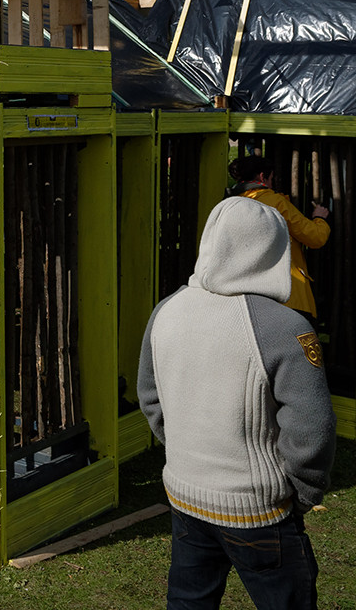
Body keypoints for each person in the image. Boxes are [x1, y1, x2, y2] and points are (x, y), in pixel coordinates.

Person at [139, 197, 336, 610]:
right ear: (276, 249)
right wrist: (302, 493)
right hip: (258, 510)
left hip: (185, 494)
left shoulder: (166, 310)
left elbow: (151, 398)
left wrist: (186, 453)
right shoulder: (287, 327)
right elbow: (311, 427)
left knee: (188, 602)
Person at [228, 155, 330, 324]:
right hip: (288, 296)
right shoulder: (275, 202)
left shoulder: (230, 204)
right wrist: (320, 219)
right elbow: (315, 237)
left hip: (248, 295)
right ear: (262, 177)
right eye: (271, 179)